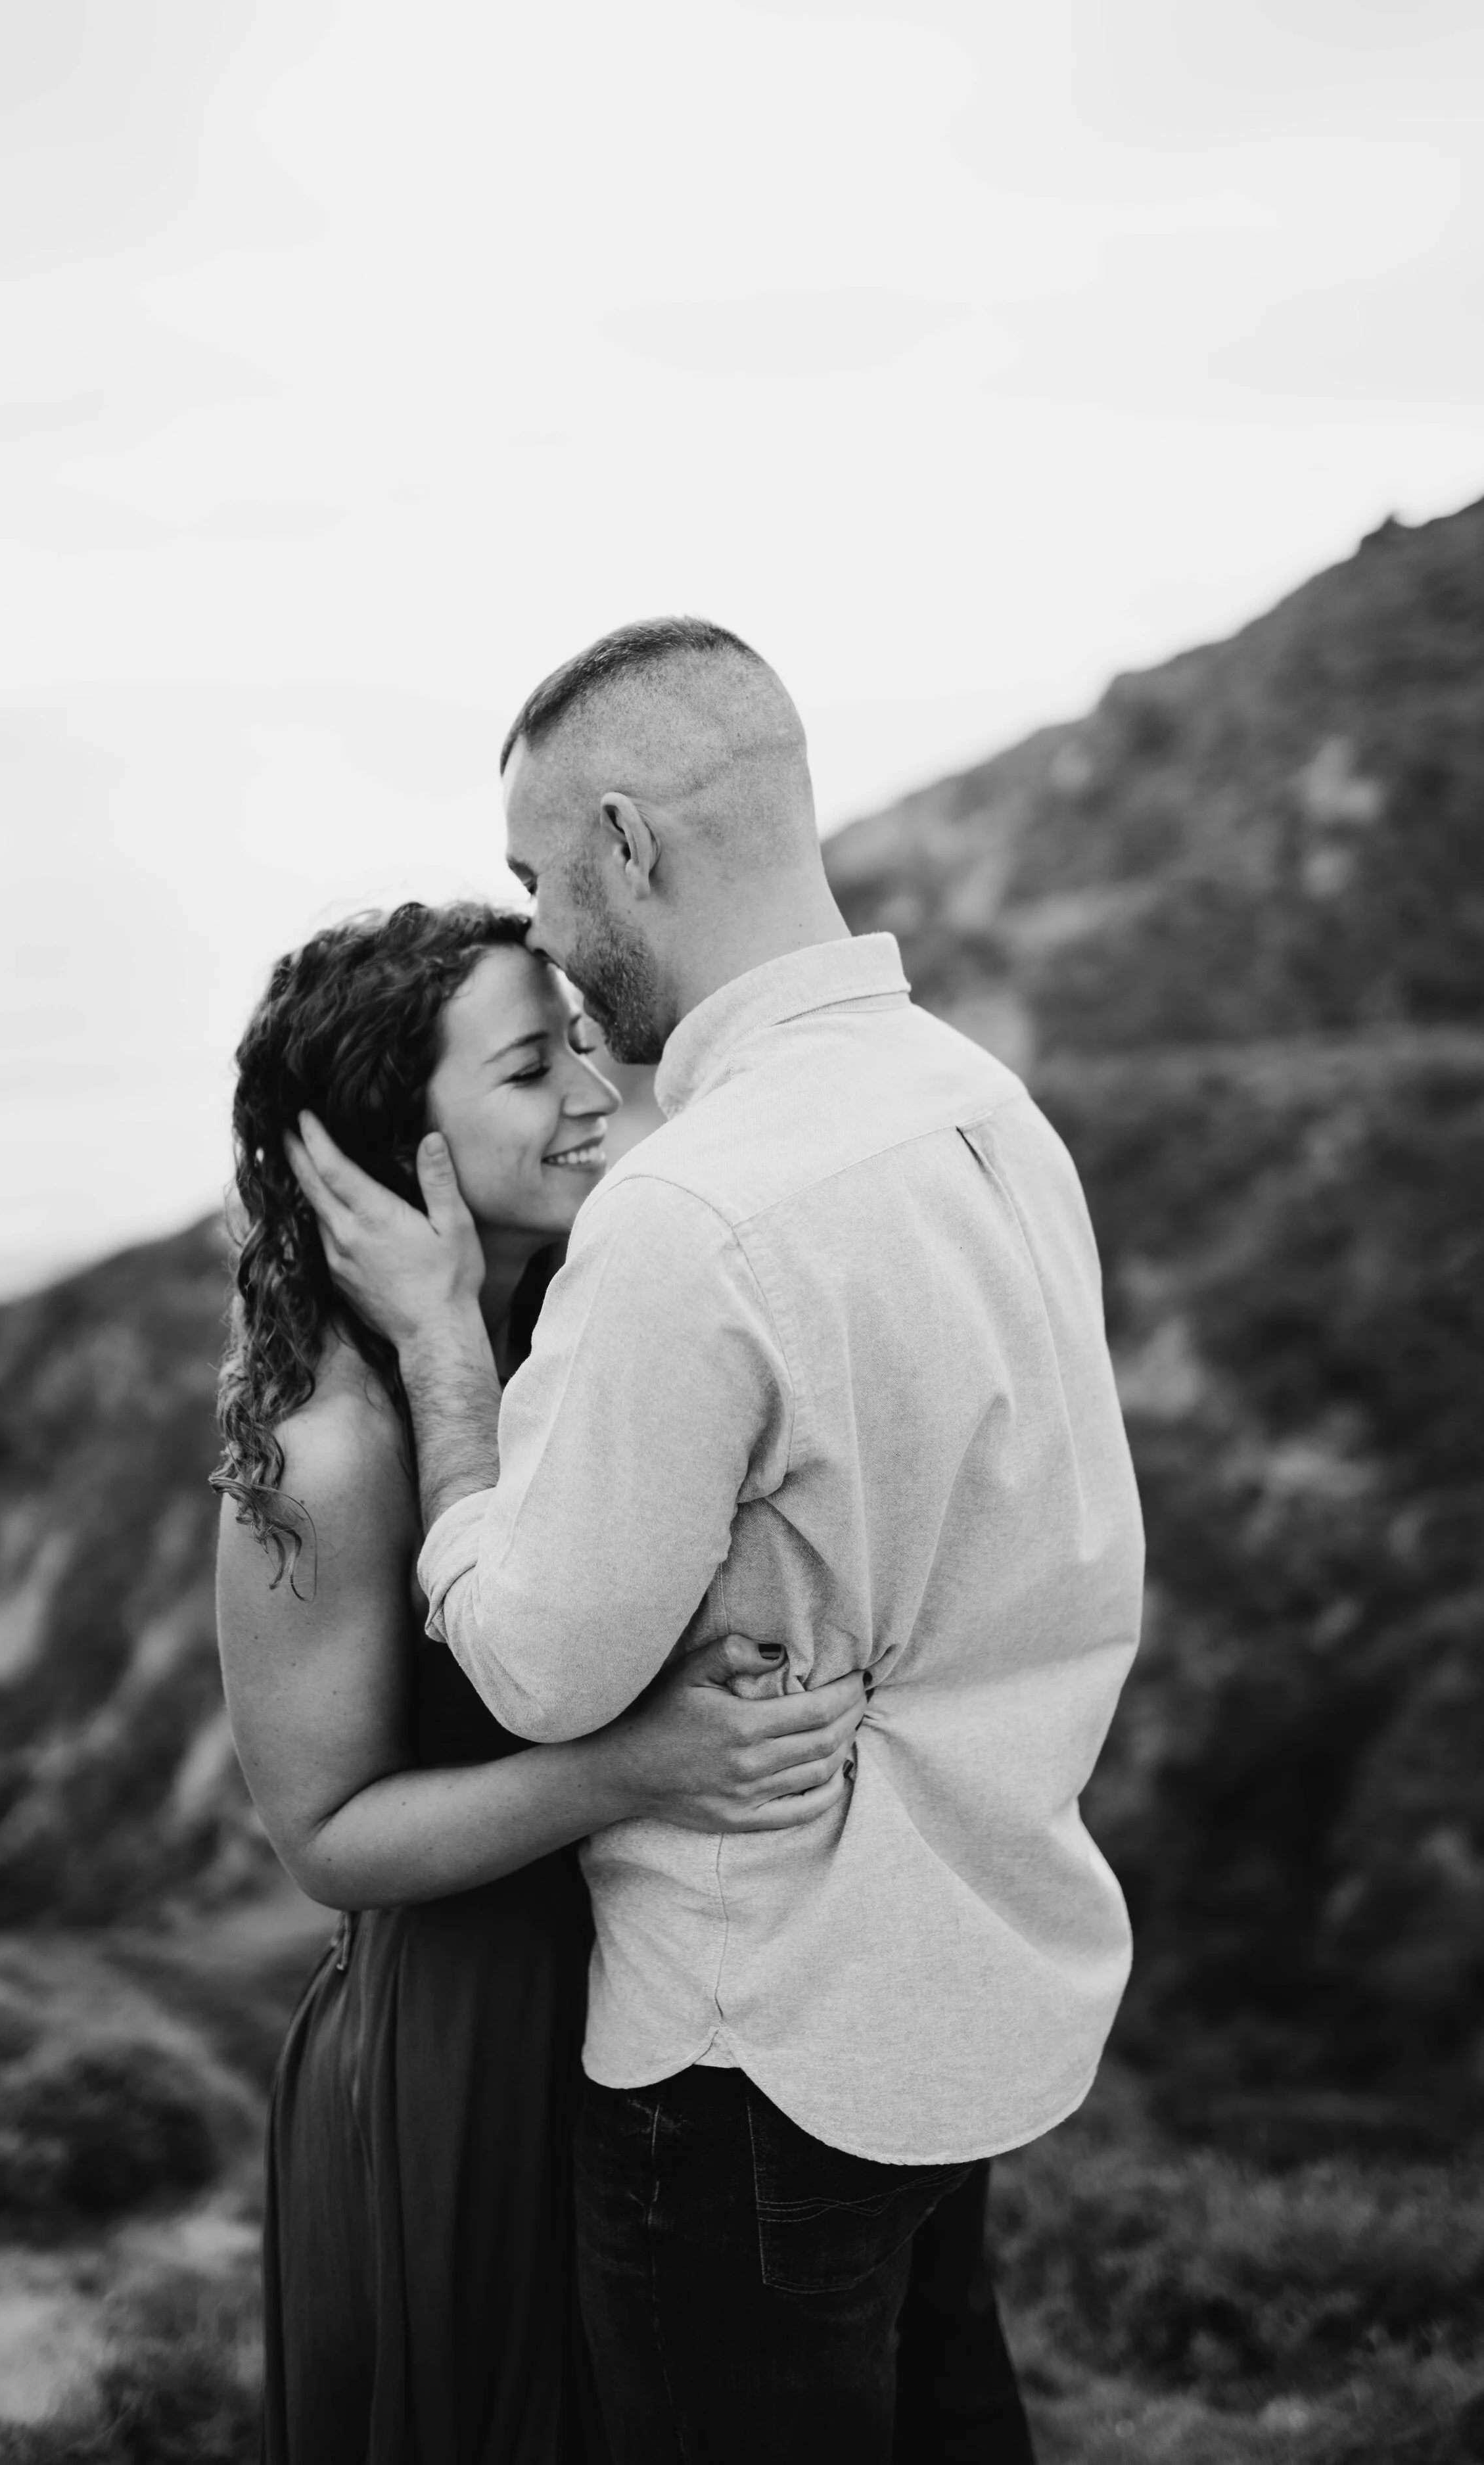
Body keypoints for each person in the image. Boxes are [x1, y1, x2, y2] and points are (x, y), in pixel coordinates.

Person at [289, 616, 1147, 2465]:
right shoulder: (984, 1109)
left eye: (538, 871)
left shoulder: (696, 1212)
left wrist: (448, 1364)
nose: (550, 935)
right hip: (964, 1978)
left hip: (750, 2033)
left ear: (625, 838)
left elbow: (532, 1661)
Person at [213, 900, 868, 2465]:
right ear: (396, 1145)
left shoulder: (570, 1327)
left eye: (579, 1038)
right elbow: (326, 1840)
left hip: (643, 2007)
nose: (595, 1088)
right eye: (528, 1067)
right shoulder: (331, 1449)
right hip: (472, 2041)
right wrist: (632, 1770)